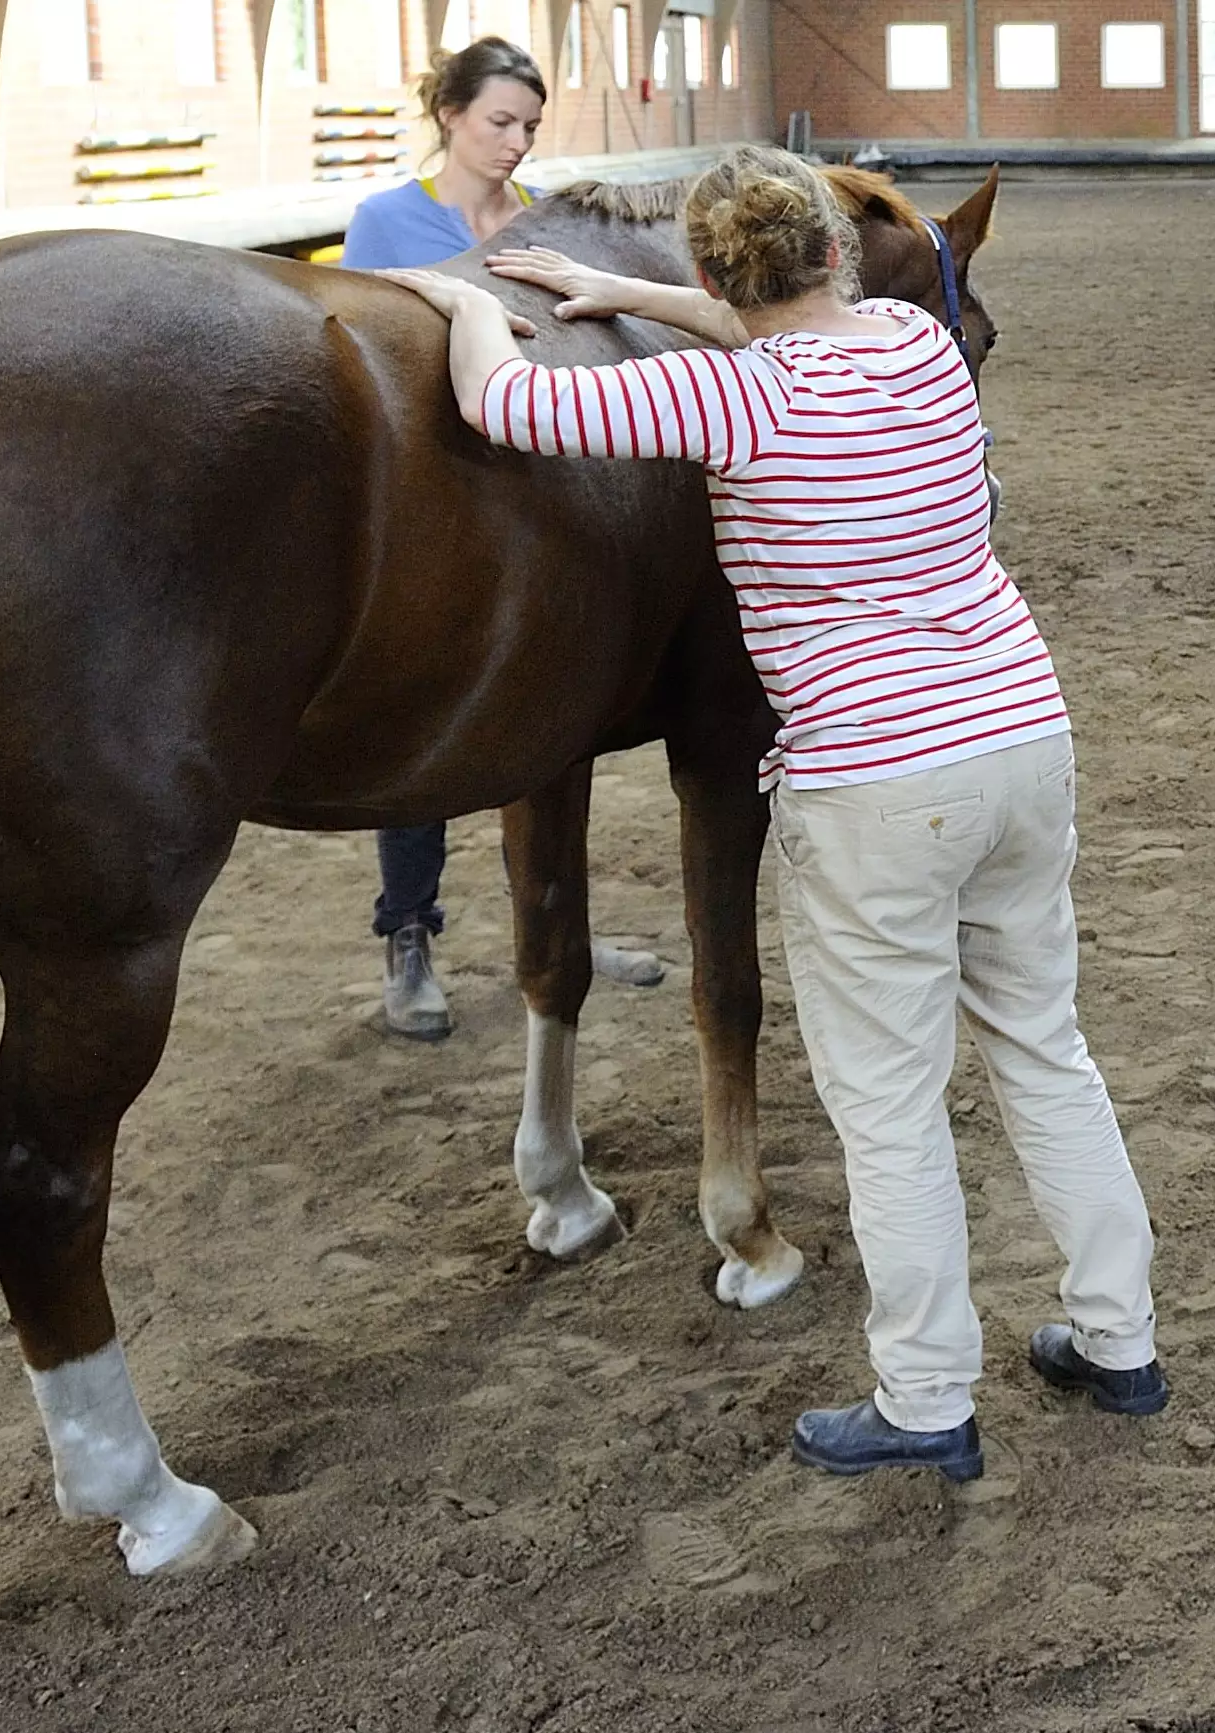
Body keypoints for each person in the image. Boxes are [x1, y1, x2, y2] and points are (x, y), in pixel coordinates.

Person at [381, 144, 1165, 1480]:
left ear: (703, 277)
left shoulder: (727, 399)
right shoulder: (920, 350)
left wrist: (468, 306)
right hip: (1021, 738)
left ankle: (926, 1400)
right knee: (1045, 1047)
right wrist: (594, 275)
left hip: (875, 782)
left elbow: (506, 405)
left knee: (891, 1106)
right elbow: (780, 321)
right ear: (837, 258)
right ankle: (1116, 1338)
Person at [341, 35, 662, 1040]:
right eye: (499, 122)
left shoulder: (536, 221)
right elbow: (353, 362)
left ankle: (563, 926)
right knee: (419, 734)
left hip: (532, 501)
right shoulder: (387, 220)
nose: (517, 143)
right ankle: (410, 937)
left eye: (529, 125)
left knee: (555, 734)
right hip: (423, 509)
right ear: (450, 115)